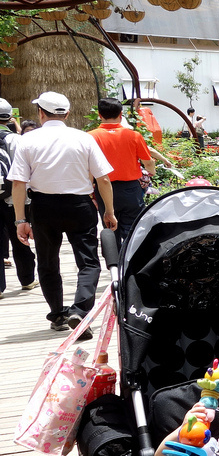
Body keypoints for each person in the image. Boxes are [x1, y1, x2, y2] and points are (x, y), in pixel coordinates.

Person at [9, 92, 117, 333]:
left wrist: (20, 220)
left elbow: (18, 183)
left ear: (40, 113)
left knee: (48, 263)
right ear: (67, 114)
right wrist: (109, 211)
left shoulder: (26, 140)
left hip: (43, 207)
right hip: (79, 205)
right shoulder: (83, 138)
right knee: (89, 262)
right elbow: (104, 179)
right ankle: (80, 310)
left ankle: (58, 315)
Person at [89, 98, 155, 246]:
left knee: (110, 228)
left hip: (103, 188)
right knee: (134, 231)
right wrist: (151, 173)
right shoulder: (134, 135)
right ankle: (132, 264)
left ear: (100, 115)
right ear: (121, 114)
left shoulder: (90, 137)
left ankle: (114, 265)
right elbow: (149, 162)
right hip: (131, 189)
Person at [0, 100, 36, 296]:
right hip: (14, 198)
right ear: (9, 117)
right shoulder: (18, 140)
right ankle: (28, 279)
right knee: (19, 237)